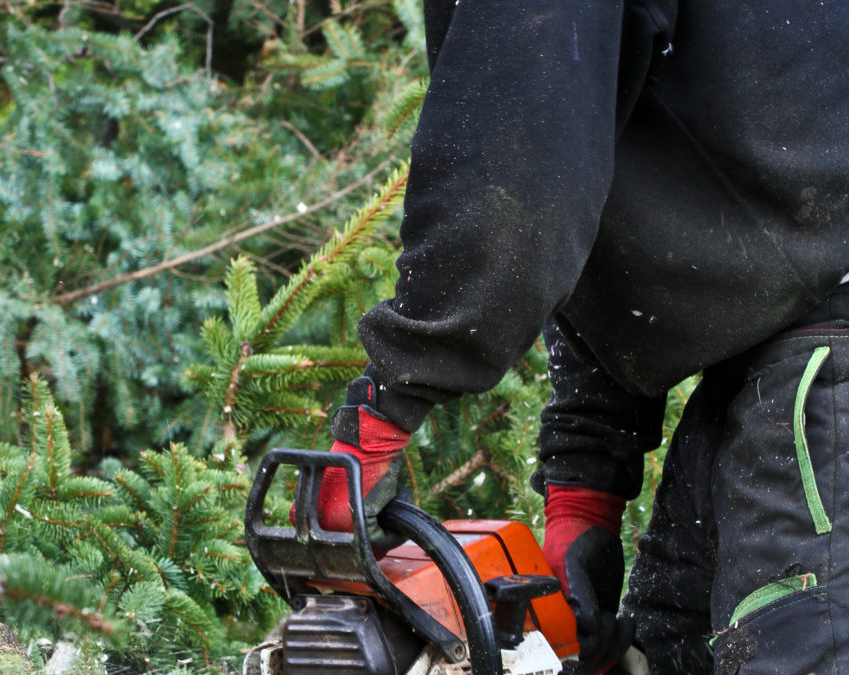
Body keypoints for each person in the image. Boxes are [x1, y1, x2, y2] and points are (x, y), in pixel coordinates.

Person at [314, 0, 849, 672]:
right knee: (668, 646)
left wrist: (388, 401)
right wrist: (585, 472)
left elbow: (517, 168)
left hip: (825, 352)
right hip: (775, 351)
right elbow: (603, 162)